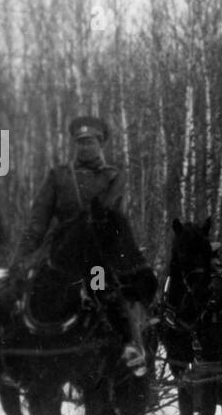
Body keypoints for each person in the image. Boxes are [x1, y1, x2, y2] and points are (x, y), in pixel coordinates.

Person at [13, 115, 146, 374]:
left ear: (101, 144)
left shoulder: (113, 178)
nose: (85, 147)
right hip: (61, 253)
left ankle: (133, 349)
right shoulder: (58, 176)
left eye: (91, 142)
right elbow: (37, 222)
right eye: (80, 142)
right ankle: (18, 360)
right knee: (27, 289)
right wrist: (21, 259)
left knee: (113, 293)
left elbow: (116, 222)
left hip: (98, 257)